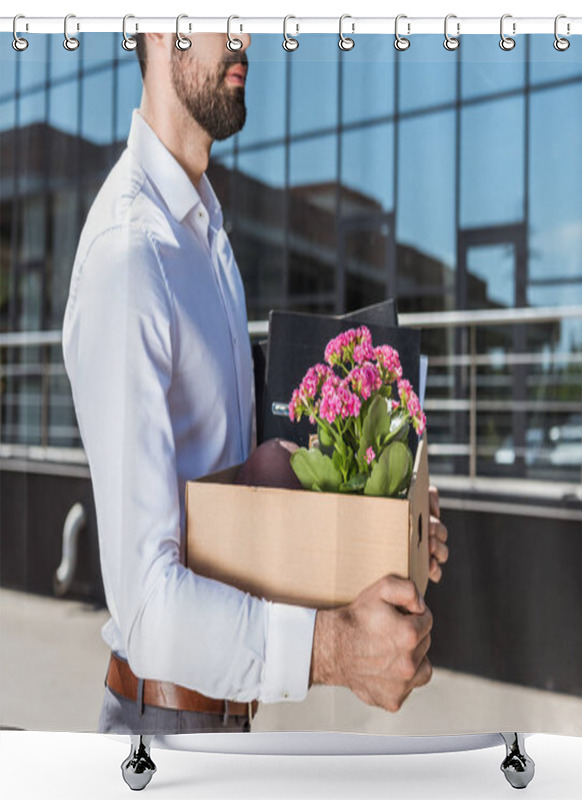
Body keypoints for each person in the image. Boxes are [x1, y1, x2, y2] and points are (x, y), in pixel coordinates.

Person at [61, 30, 449, 735]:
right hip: (164, 733)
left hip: (225, 724)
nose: (245, 35)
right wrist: (334, 649)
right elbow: (147, 606)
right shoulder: (132, 256)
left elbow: (249, 496)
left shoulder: (205, 240)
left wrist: (383, 523)